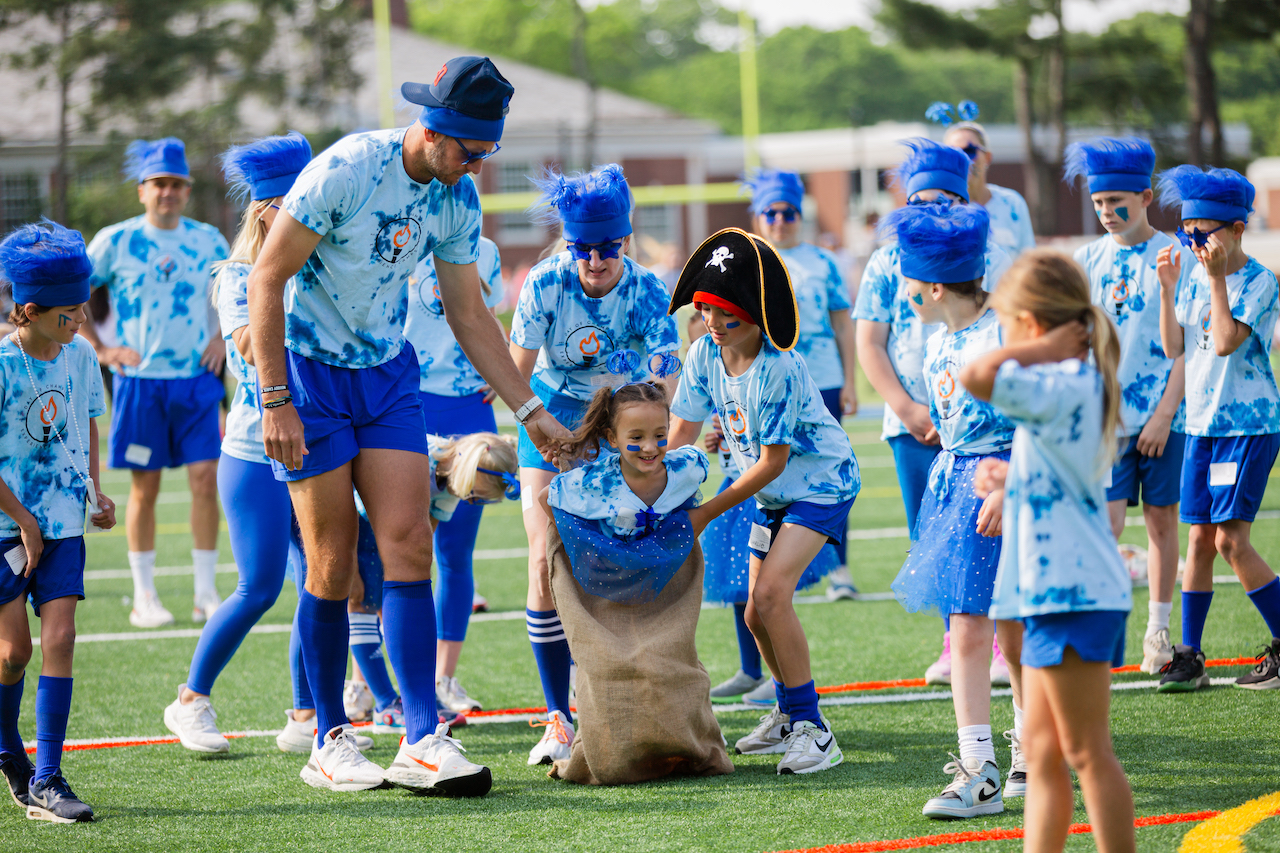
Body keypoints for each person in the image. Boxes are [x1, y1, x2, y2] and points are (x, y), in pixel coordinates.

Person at [247, 55, 570, 794]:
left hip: (389, 376)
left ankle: (421, 737)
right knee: (332, 561)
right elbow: (267, 277)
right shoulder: (347, 170)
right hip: (309, 375)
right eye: (469, 151)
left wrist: (529, 411)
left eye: (487, 154)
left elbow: (470, 315)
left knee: (410, 542)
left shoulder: (457, 199)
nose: (477, 168)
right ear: (432, 130)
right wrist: (274, 399)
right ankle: (328, 735)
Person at [669, 227, 860, 775]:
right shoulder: (705, 352)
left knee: (772, 596)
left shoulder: (777, 366)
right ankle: (786, 713)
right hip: (776, 494)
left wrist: (704, 511)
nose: (714, 322)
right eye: (707, 309)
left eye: (728, 314)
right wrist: (645, 481)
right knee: (755, 613)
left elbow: (773, 461)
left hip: (820, 485)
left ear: (758, 314)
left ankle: (814, 731)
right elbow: (682, 428)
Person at [962, 249, 1133, 853]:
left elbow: (976, 374)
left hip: (1074, 592)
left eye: (1008, 324)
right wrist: (1011, 479)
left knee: (1087, 753)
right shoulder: (1069, 384)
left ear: (1031, 324)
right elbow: (1067, 474)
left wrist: (1043, 345)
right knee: (1041, 753)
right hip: (1054, 592)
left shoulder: (1064, 378)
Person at [510, 163, 681, 766]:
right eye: (583, 249)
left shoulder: (648, 288)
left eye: (608, 249)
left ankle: (614, 699)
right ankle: (556, 714)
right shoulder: (544, 283)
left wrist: (649, 439)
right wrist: (542, 426)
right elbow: (516, 365)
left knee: (610, 561)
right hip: (550, 416)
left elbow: (663, 371)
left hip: (619, 417)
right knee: (543, 555)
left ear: (625, 242)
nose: (595, 262)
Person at [161, 132, 312, 753]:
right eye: (292, 206)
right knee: (259, 585)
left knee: (324, 580)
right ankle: (191, 700)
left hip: (318, 444)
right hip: (254, 450)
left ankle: (307, 713)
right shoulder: (237, 276)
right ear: (263, 212)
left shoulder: (327, 265)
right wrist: (284, 281)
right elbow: (249, 348)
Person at [853, 137, 1013, 687]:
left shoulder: (981, 256)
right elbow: (869, 343)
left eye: (947, 197)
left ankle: (996, 641)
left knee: (988, 536)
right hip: (914, 422)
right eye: (921, 200)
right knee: (936, 538)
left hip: (984, 430)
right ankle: (957, 639)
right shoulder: (883, 262)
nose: (934, 209)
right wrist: (907, 406)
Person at [883, 201, 1023, 818]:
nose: (904, 290)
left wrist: (1005, 485)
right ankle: (995, 762)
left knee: (1001, 629)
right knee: (971, 625)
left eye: (909, 280)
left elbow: (1037, 419)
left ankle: (1005, 762)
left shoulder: (1006, 332)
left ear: (935, 287)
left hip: (1002, 487)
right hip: (956, 485)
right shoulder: (940, 341)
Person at [537, 383, 734, 784]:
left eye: (661, 435)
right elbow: (546, 498)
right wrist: (590, 545)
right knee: (610, 664)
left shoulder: (686, 467)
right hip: (607, 582)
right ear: (612, 439)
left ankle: (690, 747)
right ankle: (610, 756)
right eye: (636, 438)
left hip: (664, 581)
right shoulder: (591, 484)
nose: (651, 447)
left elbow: (700, 467)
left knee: (669, 660)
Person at [283, 433, 520, 749]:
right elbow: (355, 505)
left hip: (382, 528)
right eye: (477, 496)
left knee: (387, 600)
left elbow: (424, 533)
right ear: (471, 472)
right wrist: (356, 566)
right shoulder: (419, 458)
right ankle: (383, 701)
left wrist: (400, 573)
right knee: (359, 601)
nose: (472, 503)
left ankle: (402, 699)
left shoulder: (452, 486)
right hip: (352, 517)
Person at [80, 138, 229, 629]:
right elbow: (74, 297)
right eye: (159, 184)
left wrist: (224, 340)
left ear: (187, 190)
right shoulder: (115, 240)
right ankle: (145, 596)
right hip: (140, 385)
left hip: (196, 381)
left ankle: (206, 594)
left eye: (177, 184)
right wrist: (102, 350)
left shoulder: (209, 240)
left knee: (207, 483)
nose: (168, 192)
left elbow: (236, 296)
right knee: (146, 490)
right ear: (142, 190)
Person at [0, 221, 117, 822]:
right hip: (5, 528)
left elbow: (87, 421)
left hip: (64, 520)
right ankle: (5, 745)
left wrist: (95, 490)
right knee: (10, 654)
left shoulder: (81, 357)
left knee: (62, 637)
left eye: (82, 309)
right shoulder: (0, 363)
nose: (80, 322)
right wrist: (22, 519)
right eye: (69, 313)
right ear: (28, 310)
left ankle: (47, 778)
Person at [1065, 137, 1190, 676]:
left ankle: (1158, 632)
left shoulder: (1176, 254)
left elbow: (1189, 346)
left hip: (1167, 417)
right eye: (1098, 203)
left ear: (1145, 198)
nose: (1107, 212)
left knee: (1163, 525)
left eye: (1118, 201)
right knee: (1105, 527)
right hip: (1106, 423)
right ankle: (1100, 632)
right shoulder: (1085, 260)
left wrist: (1163, 414)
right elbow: (1076, 341)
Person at [1154, 165, 1280, 692]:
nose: (1194, 244)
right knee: (1199, 540)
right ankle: (1190, 655)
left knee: (1231, 541)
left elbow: (1226, 340)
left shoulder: (1259, 280)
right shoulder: (1191, 277)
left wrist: (1214, 278)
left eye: (1202, 234)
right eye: (1187, 233)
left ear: (1236, 230)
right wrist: (1167, 290)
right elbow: (1174, 347)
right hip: (1201, 426)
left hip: (1245, 427)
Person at [742, 169, 858, 599]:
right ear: (757, 216)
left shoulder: (823, 261)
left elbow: (842, 325)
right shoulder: (748, 260)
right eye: (769, 211)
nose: (779, 219)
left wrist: (849, 382)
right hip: (767, 387)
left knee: (830, 473)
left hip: (822, 381)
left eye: (788, 212)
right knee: (769, 476)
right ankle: (776, 571)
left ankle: (839, 569)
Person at [403, 236, 505, 717]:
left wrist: (501, 363)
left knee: (455, 553)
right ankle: (373, 682)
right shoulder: (396, 233)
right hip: (406, 403)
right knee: (397, 551)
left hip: (469, 407)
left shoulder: (484, 249)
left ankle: (443, 678)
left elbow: (487, 319)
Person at [928, 101, 1036, 258]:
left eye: (970, 151)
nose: (963, 160)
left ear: (988, 158)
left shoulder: (1012, 203)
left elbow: (1028, 262)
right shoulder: (939, 209)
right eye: (953, 153)